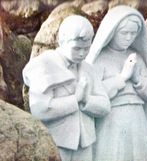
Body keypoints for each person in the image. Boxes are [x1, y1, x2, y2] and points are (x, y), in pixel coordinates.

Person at [22, 15, 110, 161]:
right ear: (61, 41)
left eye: (86, 48)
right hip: (57, 141)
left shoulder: (88, 69)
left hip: (85, 142)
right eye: (76, 48)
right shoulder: (44, 66)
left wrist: (86, 100)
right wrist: (75, 100)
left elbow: (105, 105)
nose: (82, 54)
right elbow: (40, 110)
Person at [86, 5, 147, 161]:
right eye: (124, 33)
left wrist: (136, 79)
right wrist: (122, 78)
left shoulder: (137, 57)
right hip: (111, 119)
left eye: (133, 34)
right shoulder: (100, 59)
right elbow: (93, 93)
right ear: (112, 31)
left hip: (137, 117)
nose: (128, 38)